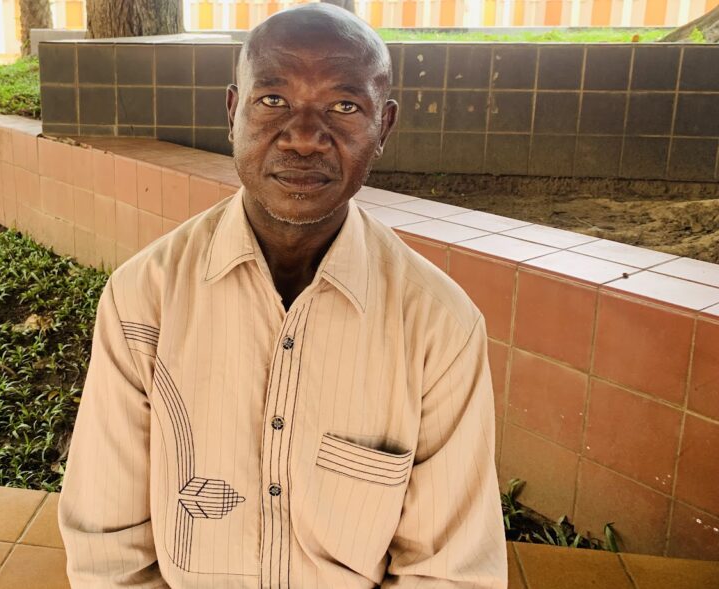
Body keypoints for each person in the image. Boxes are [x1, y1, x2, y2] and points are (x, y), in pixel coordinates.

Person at [59, 4, 507, 587]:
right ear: (232, 112)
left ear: (384, 128)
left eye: (344, 107)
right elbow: (107, 547)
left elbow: (449, 572)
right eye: (273, 100)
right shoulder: (144, 299)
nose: (302, 137)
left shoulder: (439, 327)